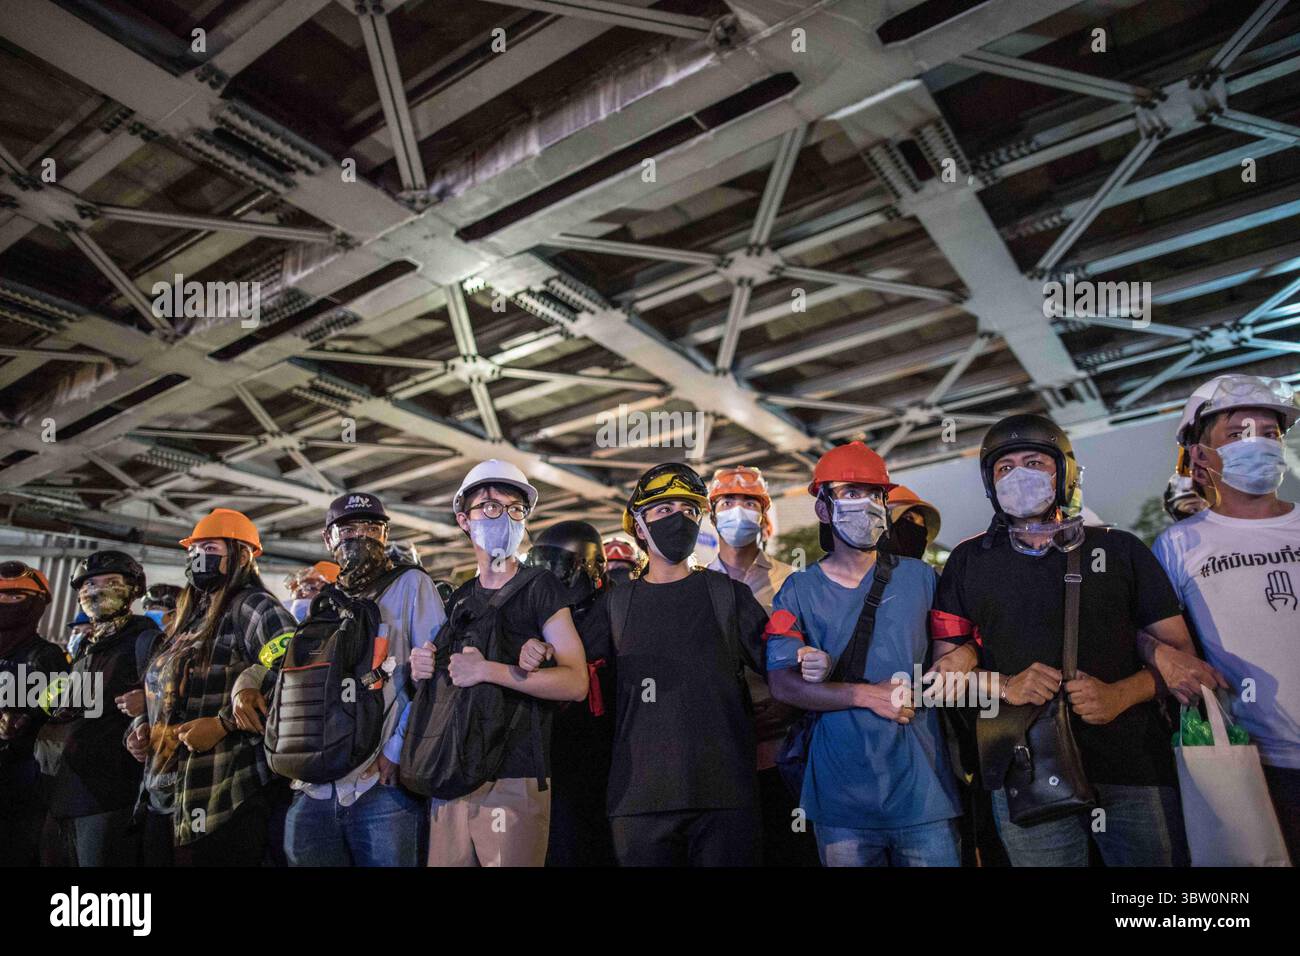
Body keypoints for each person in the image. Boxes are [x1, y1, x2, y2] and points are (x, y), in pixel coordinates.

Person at [931, 414, 1214, 867]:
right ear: (990, 482)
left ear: (1063, 473)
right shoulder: (968, 562)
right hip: (1024, 770)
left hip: (1134, 764)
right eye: (1005, 468)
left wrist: (1121, 694)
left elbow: (1183, 659)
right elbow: (943, 673)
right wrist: (1005, 686)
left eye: (1035, 462)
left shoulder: (1121, 550)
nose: (1020, 475)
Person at [765, 443, 963, 866]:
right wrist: (862, 694)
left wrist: (955, 666)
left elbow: (958, 654)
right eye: (852, 493)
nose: (868, 505)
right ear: (823, 508)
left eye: (876, 495)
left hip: (923, 794)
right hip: (840, 801)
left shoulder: (923, 579)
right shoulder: (796, 592)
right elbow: (782, 683)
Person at [574, 462, 770, 866]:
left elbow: (782, 672)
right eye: (663, 510)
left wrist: (808, 658)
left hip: (725, 797)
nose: (678, 518)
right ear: (639, 527)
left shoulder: (729, 596)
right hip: (639, 802)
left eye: (688, 509)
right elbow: (572, 675)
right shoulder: (614, 605)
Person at [244, 494, 439, 867]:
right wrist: (245, 686)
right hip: (314, 784)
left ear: (385, 535)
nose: (359, 537)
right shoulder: (327, 602)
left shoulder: (411, 584)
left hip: (379, 783)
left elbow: (434, 678)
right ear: (327, 538)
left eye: (371, 528)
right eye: (347, 530)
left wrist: (397, 750)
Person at [409, 460, 588, 867]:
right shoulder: (459, 598)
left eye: (514, 508)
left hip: (514, 774)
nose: (503, 517)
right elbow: (447, 677)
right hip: (452, 769)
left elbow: (576, 682)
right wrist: (422, 667)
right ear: (463, 519)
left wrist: (489, 670)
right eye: (489, 506)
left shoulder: (540, 588)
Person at [1151, 374, 1300, 860]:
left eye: (1269, 432)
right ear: (1198, 456)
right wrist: (1159, 656)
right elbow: (1148, 630)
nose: (1258, 443)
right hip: (1257, 765)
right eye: (1237, 434)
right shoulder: (1178, 545)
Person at [126, 508, 297, 867]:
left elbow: (292, 673)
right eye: (194, 548)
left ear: (241, 553)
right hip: (163, 794)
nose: (198, 555)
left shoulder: (253, 606)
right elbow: (164, 691)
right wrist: (141, 726)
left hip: (222, 792)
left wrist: (223, 724)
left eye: (210, 546)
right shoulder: (189, 619)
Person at [705, 465, 815, 866]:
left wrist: (791, 703)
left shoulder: (793, 582)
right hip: (722, 756)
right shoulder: (697, 587)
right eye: (728, 502)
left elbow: (815, 656)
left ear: (764, 513)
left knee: (793, 852)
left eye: (749, 502)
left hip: (786, 750)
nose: (738, 511)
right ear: (712, 513)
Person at [36, 550, 160, 866]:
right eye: (88, 585)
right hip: (66, 790)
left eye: (110, 582)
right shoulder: (89, 647)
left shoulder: (147, 641)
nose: (96, 591)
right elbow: (68, 705)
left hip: (111, 794)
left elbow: (181, 700)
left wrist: (147, 702)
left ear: (134, 589)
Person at [524, 520, 616, 866]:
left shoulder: (614, 610)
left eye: (555, 568)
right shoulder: (544, 620)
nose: (546, 580)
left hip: (605, 756)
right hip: (553, 756)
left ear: (589, 567)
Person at [0, 563, 67, 866]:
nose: (8, 604)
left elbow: (66, 708)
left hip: (21, 782)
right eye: (3, 596)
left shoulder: (48, 656)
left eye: (18, 598)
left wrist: (28, 715)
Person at [886, 485, 941, 560]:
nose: (917, 529)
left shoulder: (925, 571)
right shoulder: (867, 567)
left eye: (922, 524)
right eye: (909, 518)